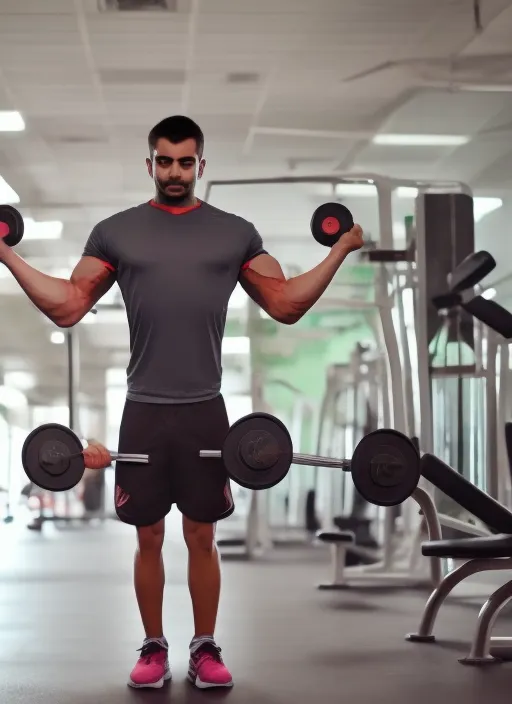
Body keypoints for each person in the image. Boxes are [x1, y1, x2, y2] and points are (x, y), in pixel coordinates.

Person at [0, 115, 364, 689]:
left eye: (185, 161)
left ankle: (204, 647)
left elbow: (286, 303)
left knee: (202, 533)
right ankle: (152, 647)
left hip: (205, 408)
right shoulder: (115, 233)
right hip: (144, 406)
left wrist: (341, 247)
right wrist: (6, 255)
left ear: (201, 165)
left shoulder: (235, 233)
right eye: (164, 161)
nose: (174, 171)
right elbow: (69, 306)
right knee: (147, 534)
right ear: (149, 164)